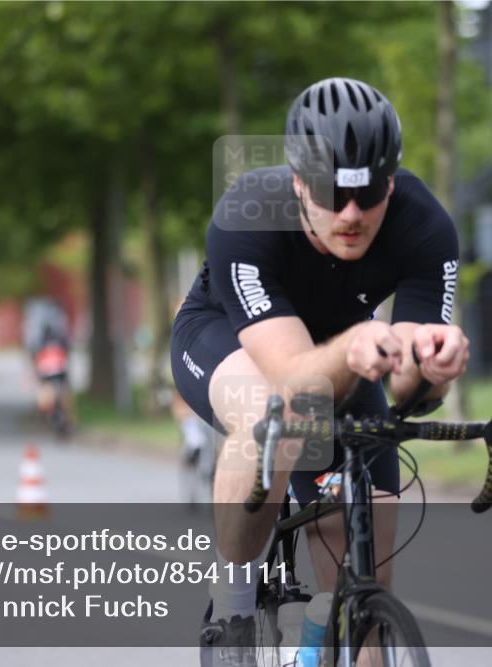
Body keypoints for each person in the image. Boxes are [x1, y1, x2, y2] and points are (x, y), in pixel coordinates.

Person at [170, 77, 467, 667]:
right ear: (299, 182)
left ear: (391, 179)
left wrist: (434, 366)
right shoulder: (248, 217)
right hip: (232, 339)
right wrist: (359, 346)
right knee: (274, 421)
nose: (352, 215)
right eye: (334, 193)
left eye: (370, 194)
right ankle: (231, 609)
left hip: (346, 357)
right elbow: (294, 382)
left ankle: (322, 637)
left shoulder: (425, 226)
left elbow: (409, 384)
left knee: (363, 603)